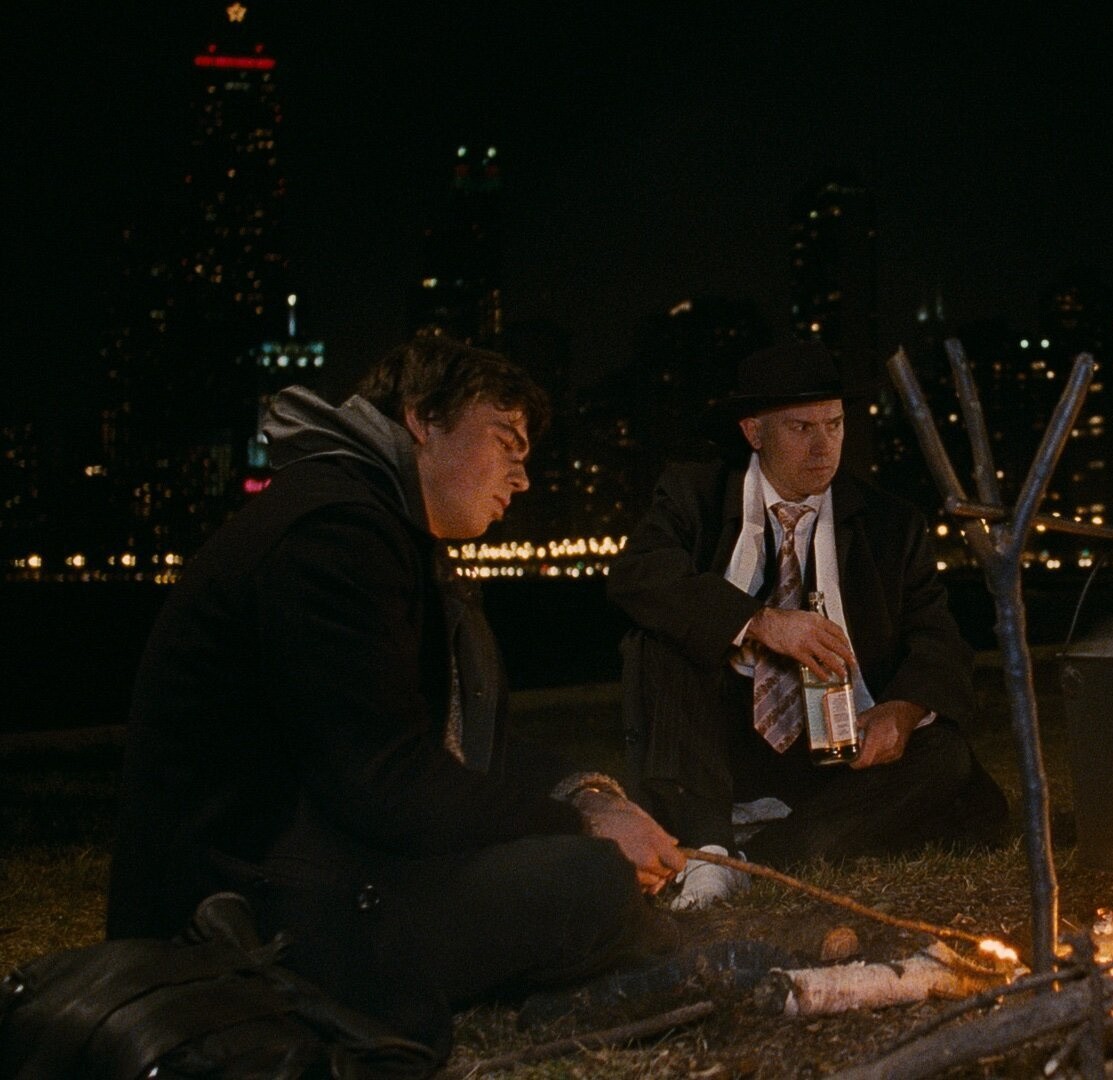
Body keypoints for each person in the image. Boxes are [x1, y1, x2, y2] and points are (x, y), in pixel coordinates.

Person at [106, 338, 685, 1060]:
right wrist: (580, 829)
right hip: (240, 916)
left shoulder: (375, 525)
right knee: (590, 882)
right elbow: (382, 780)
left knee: (582, 871)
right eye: (505, 442)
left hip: (298, 874)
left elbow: (454, 746)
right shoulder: (334, 535)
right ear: (423, 419)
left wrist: (590, 796)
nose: (523, 476)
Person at [609, 340, 1007, 907]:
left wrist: (902, 710)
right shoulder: (697, 493)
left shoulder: (890, 523)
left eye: (834, 425)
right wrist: (759, 621)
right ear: (754, 432)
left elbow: (938, 635)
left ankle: (760, 860)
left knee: (943, 755)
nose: (823, 447)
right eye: (801, 428)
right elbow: (638, 574)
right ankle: (711, 843)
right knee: (663, 639)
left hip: (836, 750)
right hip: (717, 745)